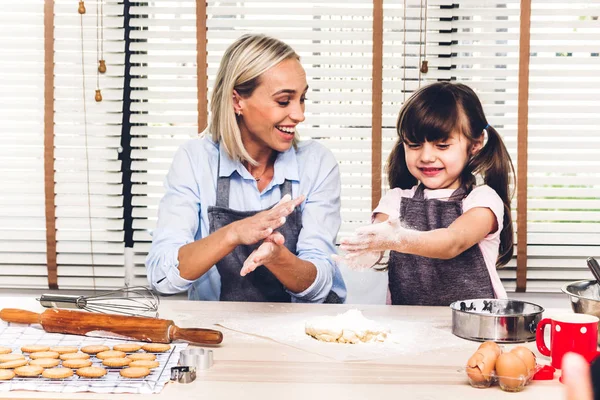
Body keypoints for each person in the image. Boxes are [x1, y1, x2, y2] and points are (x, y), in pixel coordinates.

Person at [146, 34, 346, 303]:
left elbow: (320, 285)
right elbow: (161, 276)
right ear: (237, 101)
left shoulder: (317, 163)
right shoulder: (195, 160)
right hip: (219, 332)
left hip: (301, 331)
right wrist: (233, 233)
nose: (299, 114)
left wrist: (277, 258)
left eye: (302, 99)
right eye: (284, 101)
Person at [336, 82, 514, 305]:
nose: (426, 156)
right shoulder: (395, 200)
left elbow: (452, 242)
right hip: (407, 325)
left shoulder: (482, 200)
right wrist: (361, 251)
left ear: (475, 143)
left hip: (475, 327)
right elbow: (377, 240)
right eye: (414, 144)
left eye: (442, 145)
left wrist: (398, 239)